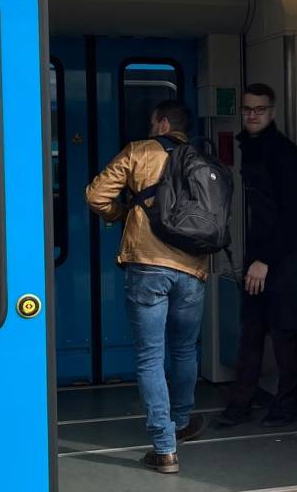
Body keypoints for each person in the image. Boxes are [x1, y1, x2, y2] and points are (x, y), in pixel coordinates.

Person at [85, 100, 208, 474]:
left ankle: (164, 447)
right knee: (184, 350)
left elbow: (96, 196)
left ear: (163, 123)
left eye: (153, 121)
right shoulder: (201, 159)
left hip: (147, 265)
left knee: (150, 357)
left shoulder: (139, 151)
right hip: (193, 267)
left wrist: (122, 214)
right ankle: (181, 421)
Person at [218, 83, 297, 428]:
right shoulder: (251, 147)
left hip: (287, 254)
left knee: (283, 330)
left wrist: (266, 261)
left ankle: (287, 405)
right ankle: (240, 404)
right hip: (262, 251)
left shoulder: (285, 154)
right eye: (247, 109)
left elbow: (293, 213)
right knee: (252, 329)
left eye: (260, 109)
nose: (252, 115)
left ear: (272, 112)